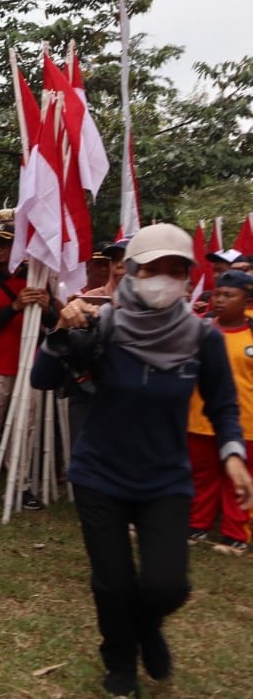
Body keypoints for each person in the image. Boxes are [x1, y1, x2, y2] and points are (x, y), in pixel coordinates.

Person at [33, 224, 252, 698]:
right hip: (100, 475)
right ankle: (120, 661)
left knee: (168, 585)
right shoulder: (104, 324)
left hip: (165, 479)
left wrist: (232, 453)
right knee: (111, 584)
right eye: (154, 269)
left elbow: (223, 405)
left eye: (177, 271)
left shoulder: (201, 338)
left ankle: (147, 626)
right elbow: (43, 376)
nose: (164, 279)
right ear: (131, 271)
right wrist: (61, 327)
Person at [0, 225, 55, 510]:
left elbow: (55, 323)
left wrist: (47, 308)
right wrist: (15, 306)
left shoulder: (37, 279)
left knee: (23, 426)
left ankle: (20, 485)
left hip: (28, 364)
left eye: (4, 245)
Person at [186, 270, 253, 555]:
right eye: (217, 294)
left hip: (245, 423)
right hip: (199, 421)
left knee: (237, 480)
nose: (220, 300)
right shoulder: (200, 330)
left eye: (229, 295)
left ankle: (236, 534)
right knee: (202, 476)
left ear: (247, 300)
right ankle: (196, 525)